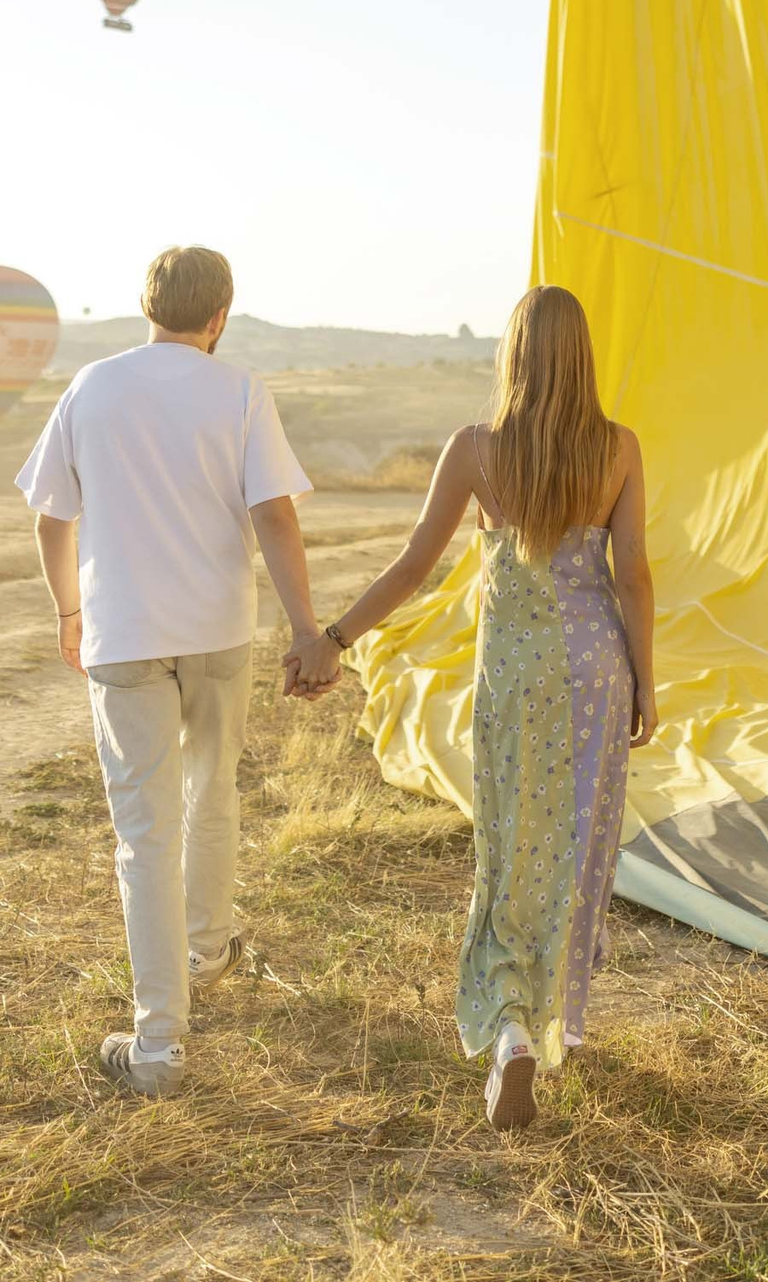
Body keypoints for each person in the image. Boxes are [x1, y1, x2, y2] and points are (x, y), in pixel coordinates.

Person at [288, 285, 656, 1131]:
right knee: (576, 839)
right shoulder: (620, 448)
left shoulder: (475, 449)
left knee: (509, 843)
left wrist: (335, 639)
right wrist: (647, 678)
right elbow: (632, 573)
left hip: (517, 673)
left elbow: (415, 566)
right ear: (583, 355)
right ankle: (554, 1008)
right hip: (599, 670)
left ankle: (514, 1028)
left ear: (514, 354)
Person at [19, 245, 336, 1097]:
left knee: (144, 833)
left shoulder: (92, 385)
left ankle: (158, 1043)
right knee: (213, 792)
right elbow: (274, 515)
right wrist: (308, 629)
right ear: (221, 313)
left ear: (145, 306)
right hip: (217, 628)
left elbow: (53, 515)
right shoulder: (239, 392)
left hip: (123, 635)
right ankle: (208, 946)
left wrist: (68, 611)